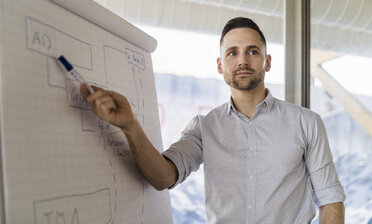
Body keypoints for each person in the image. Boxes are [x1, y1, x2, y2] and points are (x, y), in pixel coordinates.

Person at [81, 17, 346, 224]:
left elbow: (331, 199)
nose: (242, 60)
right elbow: (163, 177)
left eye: (252, 52)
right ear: (220, 65)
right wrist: (130, 126)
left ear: (267, 61)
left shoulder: (307, 123)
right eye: (232, 53)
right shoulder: (204, 127)